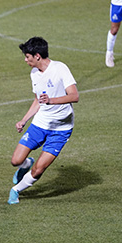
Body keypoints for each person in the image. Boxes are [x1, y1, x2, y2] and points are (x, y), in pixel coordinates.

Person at [8, 37, 79, 205]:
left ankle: (16, 190)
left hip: (61, 129)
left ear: (37, 56)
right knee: (16, 161)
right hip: (40, 124)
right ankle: (26, 164)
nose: (25, 60)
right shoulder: (34, 74)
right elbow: (37, 100)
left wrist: (51, 101)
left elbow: (74, 96)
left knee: (39, 169)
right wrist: (24, 119)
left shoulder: (60, 69)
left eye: (27, 57)